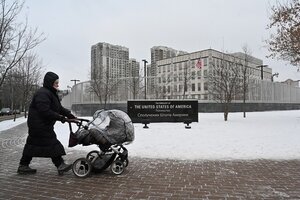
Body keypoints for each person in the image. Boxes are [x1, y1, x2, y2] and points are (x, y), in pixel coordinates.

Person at [17, 72, 76, 175]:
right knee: (51, 142)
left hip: (40, 124)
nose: (58, 84)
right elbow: (44, 111)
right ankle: (60, 164)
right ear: (50, 82)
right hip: (39, 125)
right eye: (56, 82)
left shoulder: (50, 93)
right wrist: (62, 118)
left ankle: (23, 165)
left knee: (32, 144)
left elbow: (59, 108)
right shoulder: (43, 93)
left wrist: (70, 115)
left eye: (58, 82)